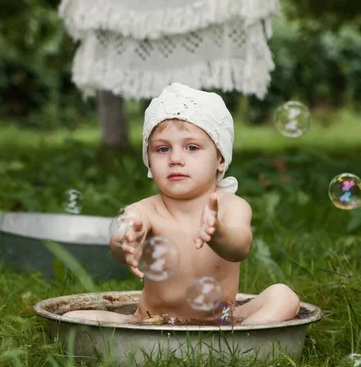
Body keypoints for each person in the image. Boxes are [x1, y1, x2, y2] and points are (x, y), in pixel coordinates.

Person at [63, 83, 301, 325]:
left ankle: (243, 339)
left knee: (285, 296)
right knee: (72, 318)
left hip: (221, 319)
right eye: (163, 149)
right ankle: (235, 343)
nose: (176, 159)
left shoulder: (232, 206)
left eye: (192, 147)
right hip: (152, 320)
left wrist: (217, 232)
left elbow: (240, 247)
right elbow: (121, 251)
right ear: (149, 159)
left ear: (220, 158)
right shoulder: (145, 210)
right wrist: (124, 238)